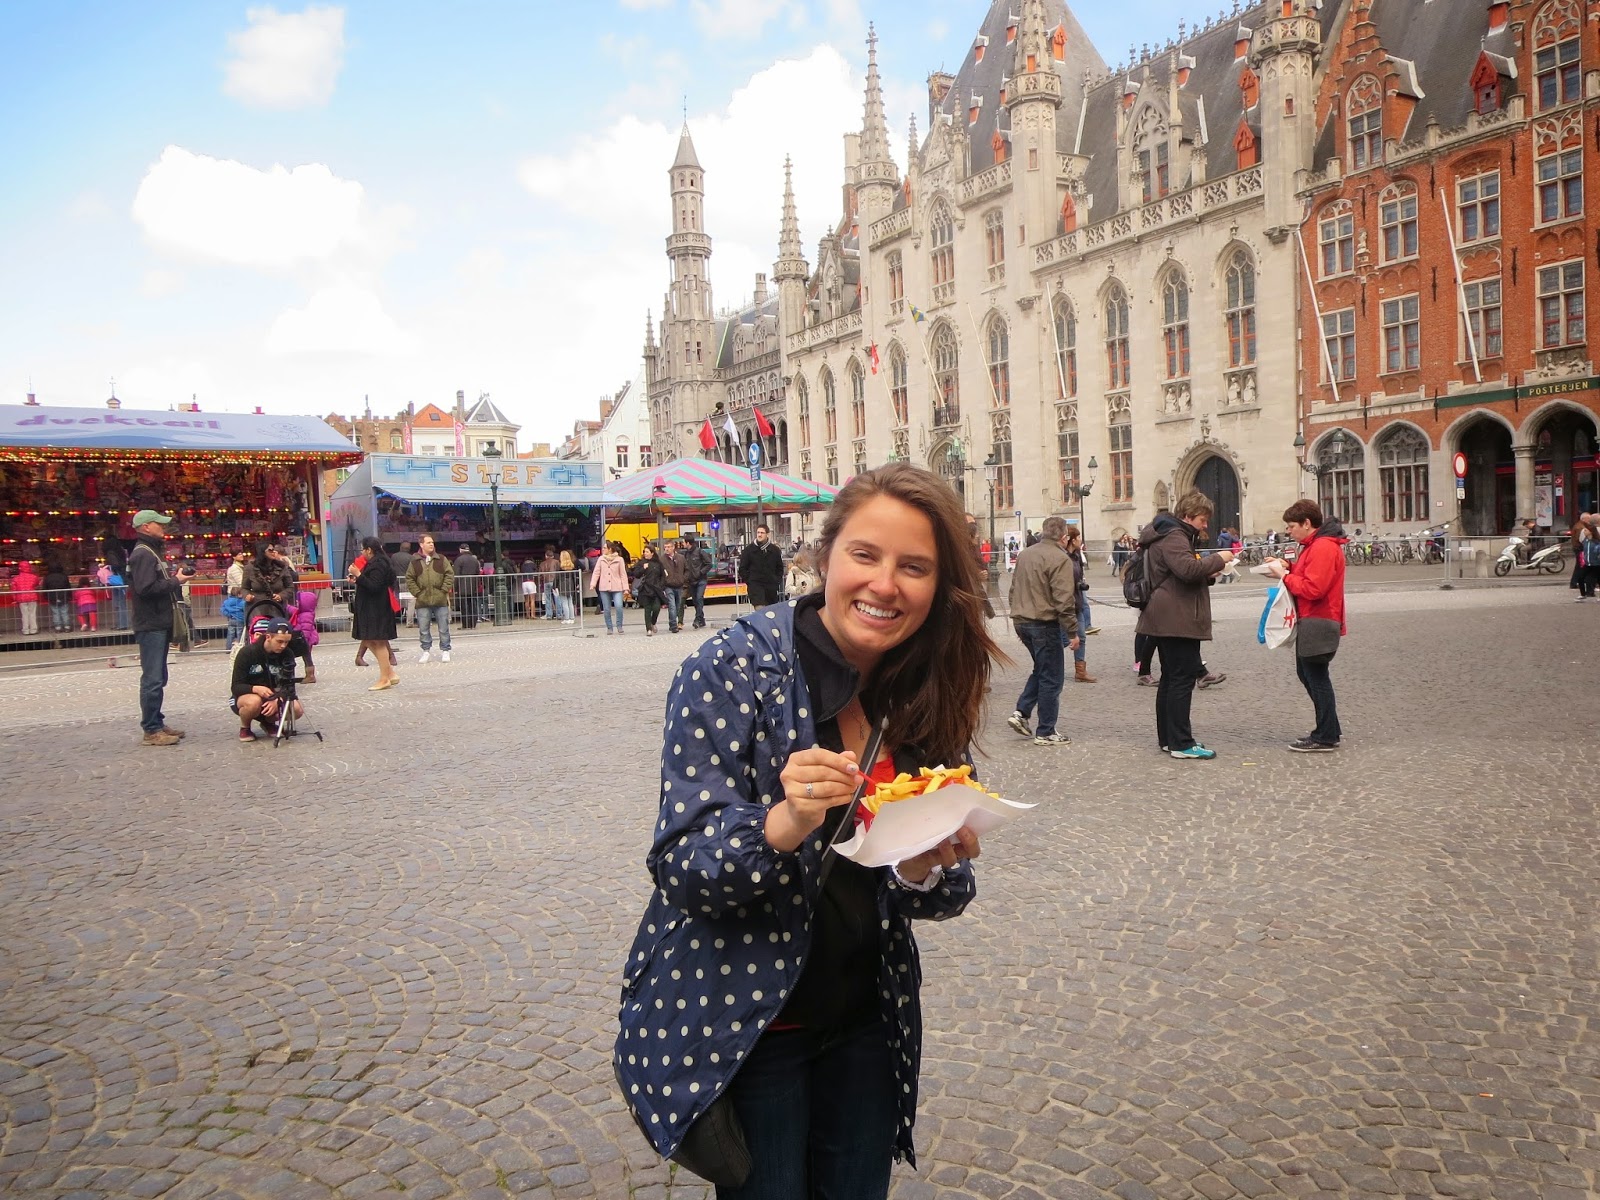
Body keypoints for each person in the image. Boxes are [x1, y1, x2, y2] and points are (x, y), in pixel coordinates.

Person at [615, 463, 999, 1199]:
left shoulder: (925, 678)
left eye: (914, 566)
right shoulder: (733, 667)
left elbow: (941, 890)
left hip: (866, 1019)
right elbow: (683, 866)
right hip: (750, 1031)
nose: (885, 584)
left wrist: (923, 866)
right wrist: (784, 822)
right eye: (865, 555)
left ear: (940, 584)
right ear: (825, 558)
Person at [1134, 490, 1234, 760]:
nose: (1205, 525)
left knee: (1170, 678)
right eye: (1202, 519)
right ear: (1188, 515)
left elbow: (1177, 573)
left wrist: (1209, 574)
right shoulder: (1175, 536)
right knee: (1181, 680)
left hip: (1167, 614)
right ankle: (1181, 742)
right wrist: (1219, 558)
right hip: (1175, 617)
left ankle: (1169, 739)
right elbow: (1187, 570)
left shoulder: (1169, 533)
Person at [1264, 499, 1348, 752]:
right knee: (1309, 674)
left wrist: (1284, 576)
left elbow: (1314, 588)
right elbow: (1307, 574)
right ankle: (1329, 729)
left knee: (1316, 677)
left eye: (1292, 526)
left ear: (1307, 523)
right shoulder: (1315, 545)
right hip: (1313, 618)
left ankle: (1326, 735)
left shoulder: (1323, 547)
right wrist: (1287, 566)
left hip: (1319, 618)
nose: (1288, 531)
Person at [1005, 515, 1079, 747]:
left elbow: (1014, 588)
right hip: (1043, 622)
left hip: (1022, 620)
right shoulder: (1060, 558)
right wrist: (1072, 631)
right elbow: (1063, 599)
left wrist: (1017, 610)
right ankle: (1045, 730)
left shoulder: (1026, 554)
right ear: (1064, 537)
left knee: (1042, 669)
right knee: (1052, 678)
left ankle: (1022, 711)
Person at [125, 509, 196, 746]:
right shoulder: (143, 554)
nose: (163, 528)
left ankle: (156, 721)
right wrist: (176, 581)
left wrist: (173, 579)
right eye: (159, 524)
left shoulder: (150, 551)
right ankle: (151, 729)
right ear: (146, 527)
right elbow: (146, 589)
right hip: (151, 623)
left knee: (158, 676)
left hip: (157, 621)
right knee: (153, 678)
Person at [230, 617, 302, 741]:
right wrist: (255, 689)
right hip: (247, 696)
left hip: (273, 695)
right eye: (279, 641)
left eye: (286, 642)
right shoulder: (247, 652)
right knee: (254, 702)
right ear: (268, 637)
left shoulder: (287, 653)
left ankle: (269, 723)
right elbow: (236, 687)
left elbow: (289, 686)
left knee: (296, 709)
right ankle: (245, 727)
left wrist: (278, 699)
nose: (283, 646)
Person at [350, 537, 400, 690]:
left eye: (363, 549)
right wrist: (357, 580)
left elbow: (374, 586)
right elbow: (370, 582)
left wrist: (358, 574)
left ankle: (384, 678)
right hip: (370, 608)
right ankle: (389, 672)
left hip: (376, 609)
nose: (362, 553)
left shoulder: (379, 564)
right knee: (369, 639)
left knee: (378, 641)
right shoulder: (376, 562)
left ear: (369, 550)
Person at [407, 535, 454, 662]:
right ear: (421, 544)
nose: (431, 544)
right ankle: (426, 651)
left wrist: (443, 590)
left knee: (443, 627)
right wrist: (417, 593)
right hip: (423, 600)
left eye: (432, 542)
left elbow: (449, 574)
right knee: (423, 628)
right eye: (428, 542)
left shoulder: (441, 559)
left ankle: (445, 650)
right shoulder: (415, 561)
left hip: (440, 599)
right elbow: (410, 578)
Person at [1063, 527, 1095, 683]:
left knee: (1081, 636)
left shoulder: (1076, 556)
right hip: (1065, 603)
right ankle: (1051, 668)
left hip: (1078, 601)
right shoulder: (1063, 557)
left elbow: (1079, 576)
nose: (1081, 540)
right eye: (1079, 537)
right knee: (1062, 639)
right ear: (1073, 539)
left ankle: (1080, 671)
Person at [739, 523, 784, 607]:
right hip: (755, 587)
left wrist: (776, 580)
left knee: (770, 612)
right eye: (758, 532)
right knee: (760, 609)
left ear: (767, 534)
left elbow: (779, 568)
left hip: (771, 588)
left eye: (762, 533)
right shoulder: (748, 550)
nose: (759, 535)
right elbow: (742, 569)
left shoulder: (775, 550)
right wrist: (750, 581)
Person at [590, 540, 629, 634]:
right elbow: (596, 572)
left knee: (619, 606)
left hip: (617, 586)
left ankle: (619, 625)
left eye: (604, 548)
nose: (602, 549)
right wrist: (593, 584)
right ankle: (609, 627)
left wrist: (626, 588)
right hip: (604, 587)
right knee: (607, 609)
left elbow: (623, 574)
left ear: (610, 549)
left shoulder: (619, 559)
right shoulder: (601, 559)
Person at [630, 542, 667, 636]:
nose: (645, 553)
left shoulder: (658, 563)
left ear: (652, 553)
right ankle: (648, 629)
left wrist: (661, 586)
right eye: (644, 552)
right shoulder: (641, 562)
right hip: (645, 589)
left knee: (656, 608)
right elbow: (636, 574)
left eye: (647, 552)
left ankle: (653, 622)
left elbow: (663, 575)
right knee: (647, 609)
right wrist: (643, 568)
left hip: (656, 589)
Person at [682, 534, 711, 628]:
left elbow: (709, 564)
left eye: (683, 542)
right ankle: (702, 619)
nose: (682, 544)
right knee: (695, 601)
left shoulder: (700, 552)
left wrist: (701, 572)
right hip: (691, 581)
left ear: (688, 543)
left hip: (701, 580)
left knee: (699, 598)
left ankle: (697, 619)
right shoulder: (686, 554)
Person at [659, 540, 687, 633]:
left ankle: (674, 623)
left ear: (673, 547)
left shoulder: (681, 558)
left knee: (678, 606)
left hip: (679, 585)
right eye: (665, 547)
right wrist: (663, 583)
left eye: (668, 547)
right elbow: (659, 572)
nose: (666, 549)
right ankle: (673, 624)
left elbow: (687, 570)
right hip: (668, 585)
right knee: (672, 605)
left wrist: (683, 579)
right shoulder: (662, 559)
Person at [453, 544, 481, 629]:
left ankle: (466, 624)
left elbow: (457, 575)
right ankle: (473, 624)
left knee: (464, 607)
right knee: (473, 605)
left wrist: (455, 588)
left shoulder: (459, 560)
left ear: (460, 550)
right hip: (473, 586)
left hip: (462, 587)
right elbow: (478, 573)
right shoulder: (474, 560)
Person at [390, 541, 415, 625]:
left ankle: (392, 620)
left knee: (396, 600)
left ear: (400, 547)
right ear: (409, 548)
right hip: (407, 581)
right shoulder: (411, 558)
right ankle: (409, 622)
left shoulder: (394, 556)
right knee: (410, 601)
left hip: (396, 581)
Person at [12, 560, 40, 635]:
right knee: (32, 614)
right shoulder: (34, 577)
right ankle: (33, 629)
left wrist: (15, 599)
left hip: (21, 598)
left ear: (20, 568)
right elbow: (37, 585)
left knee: (24, 614)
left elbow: (14, 590)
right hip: (32, 597)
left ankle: (25, 630)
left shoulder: (16, 578)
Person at [42, 561, 71, 633]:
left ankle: (58, 627)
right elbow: (68, 586)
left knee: (56, 613)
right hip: (63, 596)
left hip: (52, 597)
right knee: (64, 612)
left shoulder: (47, 577)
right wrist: (69, 596)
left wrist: (45, 596)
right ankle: (67, 626)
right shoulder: (64, 576)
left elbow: (45, 588)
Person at [536, 547, 560, 620]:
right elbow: (558, 571)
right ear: (553, 556)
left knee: (548, 599)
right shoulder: (556, 562)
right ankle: (559, 614)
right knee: (557, 598)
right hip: (554, 581)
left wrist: (542, 580)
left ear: (546, 556)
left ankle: (549, 615)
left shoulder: (542, 563)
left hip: (546, 582)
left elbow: (540, 574)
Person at [556, 549, 579, 624]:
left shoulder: (560, 568)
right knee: (570, 602)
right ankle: (572, 618)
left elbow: (557, 578)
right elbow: (574, 578)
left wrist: (555, 586)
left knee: (564, 603)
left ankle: (567, 618)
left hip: (562, 585)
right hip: (571, 585)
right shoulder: (572, 567)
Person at [222, 586, 247, 652]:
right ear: (238, 594)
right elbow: (245, 610)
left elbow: (223, 610)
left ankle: (228, 648)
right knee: (240, 633)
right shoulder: (242, 602)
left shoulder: (226, 602)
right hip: (240, 619)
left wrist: (229, 615)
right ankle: (240, 648)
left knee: (230, 633)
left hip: (231, 619)